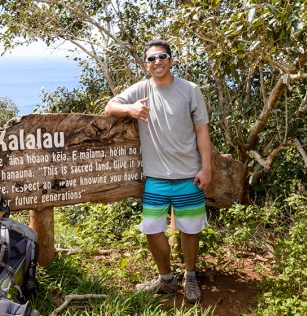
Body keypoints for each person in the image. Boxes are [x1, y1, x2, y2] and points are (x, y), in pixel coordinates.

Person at [105, 39, 212, 304]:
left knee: (190, 230)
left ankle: (190, 276)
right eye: (151, 59)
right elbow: (110, 107)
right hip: (155, 177)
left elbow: (202, 131)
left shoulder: (190, 90)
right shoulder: (141, 89)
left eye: (162, 57)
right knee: (152, 230)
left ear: (171, 60)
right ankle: (166, 279)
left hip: (189, 174)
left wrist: (207, 167)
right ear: (146, 65)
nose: (157, 62)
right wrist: (130, 108)